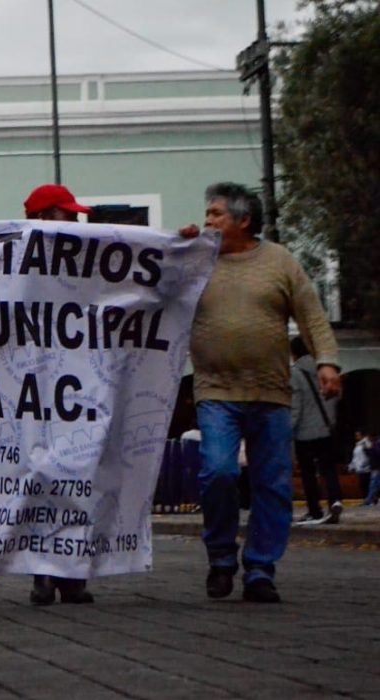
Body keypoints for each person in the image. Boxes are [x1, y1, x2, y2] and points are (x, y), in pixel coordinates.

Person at [179, 182, 340, 603]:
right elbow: (156, 289)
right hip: (215, 389)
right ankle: (221, 558)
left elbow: (311, 314)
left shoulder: (279, 261)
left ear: (243, 220)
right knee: (218, 472)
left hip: (271, 392)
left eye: (216, 213)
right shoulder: (196, 258)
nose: (208, 220)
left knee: (272, 485)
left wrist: (326, 361)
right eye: (208, 213)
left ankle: (260, 570)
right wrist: (174, 248)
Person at [22, 184, 96, 606]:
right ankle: (44, 571)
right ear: (44, 218)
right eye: (67, 213)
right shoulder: (13, 253)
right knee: (39, 473)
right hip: (30, 384)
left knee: (77, 471)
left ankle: (70, 572)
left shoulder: (86, 256)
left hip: (77, 381)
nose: (76, 219)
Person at [290, 336, 343, 524]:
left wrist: (289, 429)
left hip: (304, 433)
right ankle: (335, 501)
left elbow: (295, 405)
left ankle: (315, 510)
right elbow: (336, 397)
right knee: (329, 468)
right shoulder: (326, 370)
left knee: (308, 472)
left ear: (294, 353)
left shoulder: (295, 373)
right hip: (326, 429)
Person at [349, 432, 374, 504]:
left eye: (358, 435)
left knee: (368, 484)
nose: (356, 437)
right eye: (356, 435)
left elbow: (370, 451)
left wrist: (366, 440)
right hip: (360, 469)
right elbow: (355, 458)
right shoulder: (357, 446)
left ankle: (371, 500)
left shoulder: (365, 443)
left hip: (366, 468)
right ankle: (367, 499)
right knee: (363, 485)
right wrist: (352, 466)